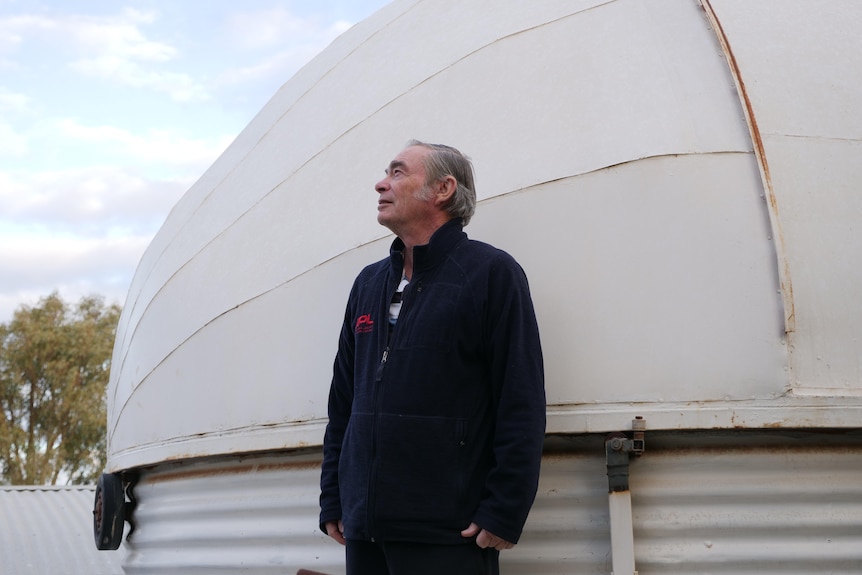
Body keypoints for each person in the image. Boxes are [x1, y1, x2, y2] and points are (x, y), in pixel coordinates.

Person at [319, 140, 546, 575]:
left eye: (398, 172)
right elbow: (343, 404)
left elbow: (522, 401)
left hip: (448, 533)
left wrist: (504, 510)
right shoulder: (368, 283)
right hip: (363, 530)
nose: (381, 184)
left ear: (443, 188)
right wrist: (334, 496)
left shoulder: (490, 274)